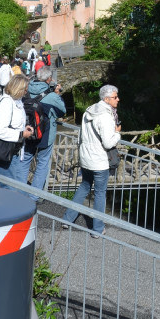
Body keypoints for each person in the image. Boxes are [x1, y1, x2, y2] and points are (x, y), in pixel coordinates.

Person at [63, 84, 120, 237]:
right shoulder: (105, 116)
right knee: (100, 193)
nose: (118, 99)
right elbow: (108, 143)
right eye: (115, 97)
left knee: (84, 187)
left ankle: (67, 219)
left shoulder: (89, 110)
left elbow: (82, 135)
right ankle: (97, 229)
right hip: (99, 160)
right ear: (107, 99)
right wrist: (118, 134)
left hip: (86, 157)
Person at [17, 67, 66, 191]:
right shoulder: (51, 96)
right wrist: (57, 94)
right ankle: (35, 195)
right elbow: (62, 111)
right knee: (42, 164)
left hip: (27, 131)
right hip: (45, 134)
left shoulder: (25, 90)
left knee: (25, 161)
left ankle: (20, 192)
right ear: (49, 79)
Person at [0, 75, 34, 185]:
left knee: (16, 185)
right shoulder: (6, 102)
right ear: (18, 89)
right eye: (25, 89)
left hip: (15, 150)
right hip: (6, 152)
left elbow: (13, 123)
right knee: (9, 187)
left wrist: (23, 128)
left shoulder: (17, 101)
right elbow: (0, 130)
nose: (26, 91)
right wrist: (21, 134)